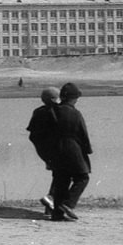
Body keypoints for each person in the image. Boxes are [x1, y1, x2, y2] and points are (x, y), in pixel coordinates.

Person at [48, 82, 93, 222]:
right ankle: (68, 204)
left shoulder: (51, 111)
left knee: (61, 180)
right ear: (73, 99)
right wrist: (87, 151)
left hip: (56, 150)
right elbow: (83, 134)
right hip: (73, 148)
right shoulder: (75, 113)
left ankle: (57, 214)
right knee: (82, 177)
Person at [26, 87, 60, 217]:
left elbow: (32, 136)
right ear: (54, 99)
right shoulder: (59, 111)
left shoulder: (38, 112)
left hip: (45, 152)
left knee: (58, 177)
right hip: (60, 150)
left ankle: (50, 207)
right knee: (61, 178)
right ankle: (52, 203)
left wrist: (44, 154)